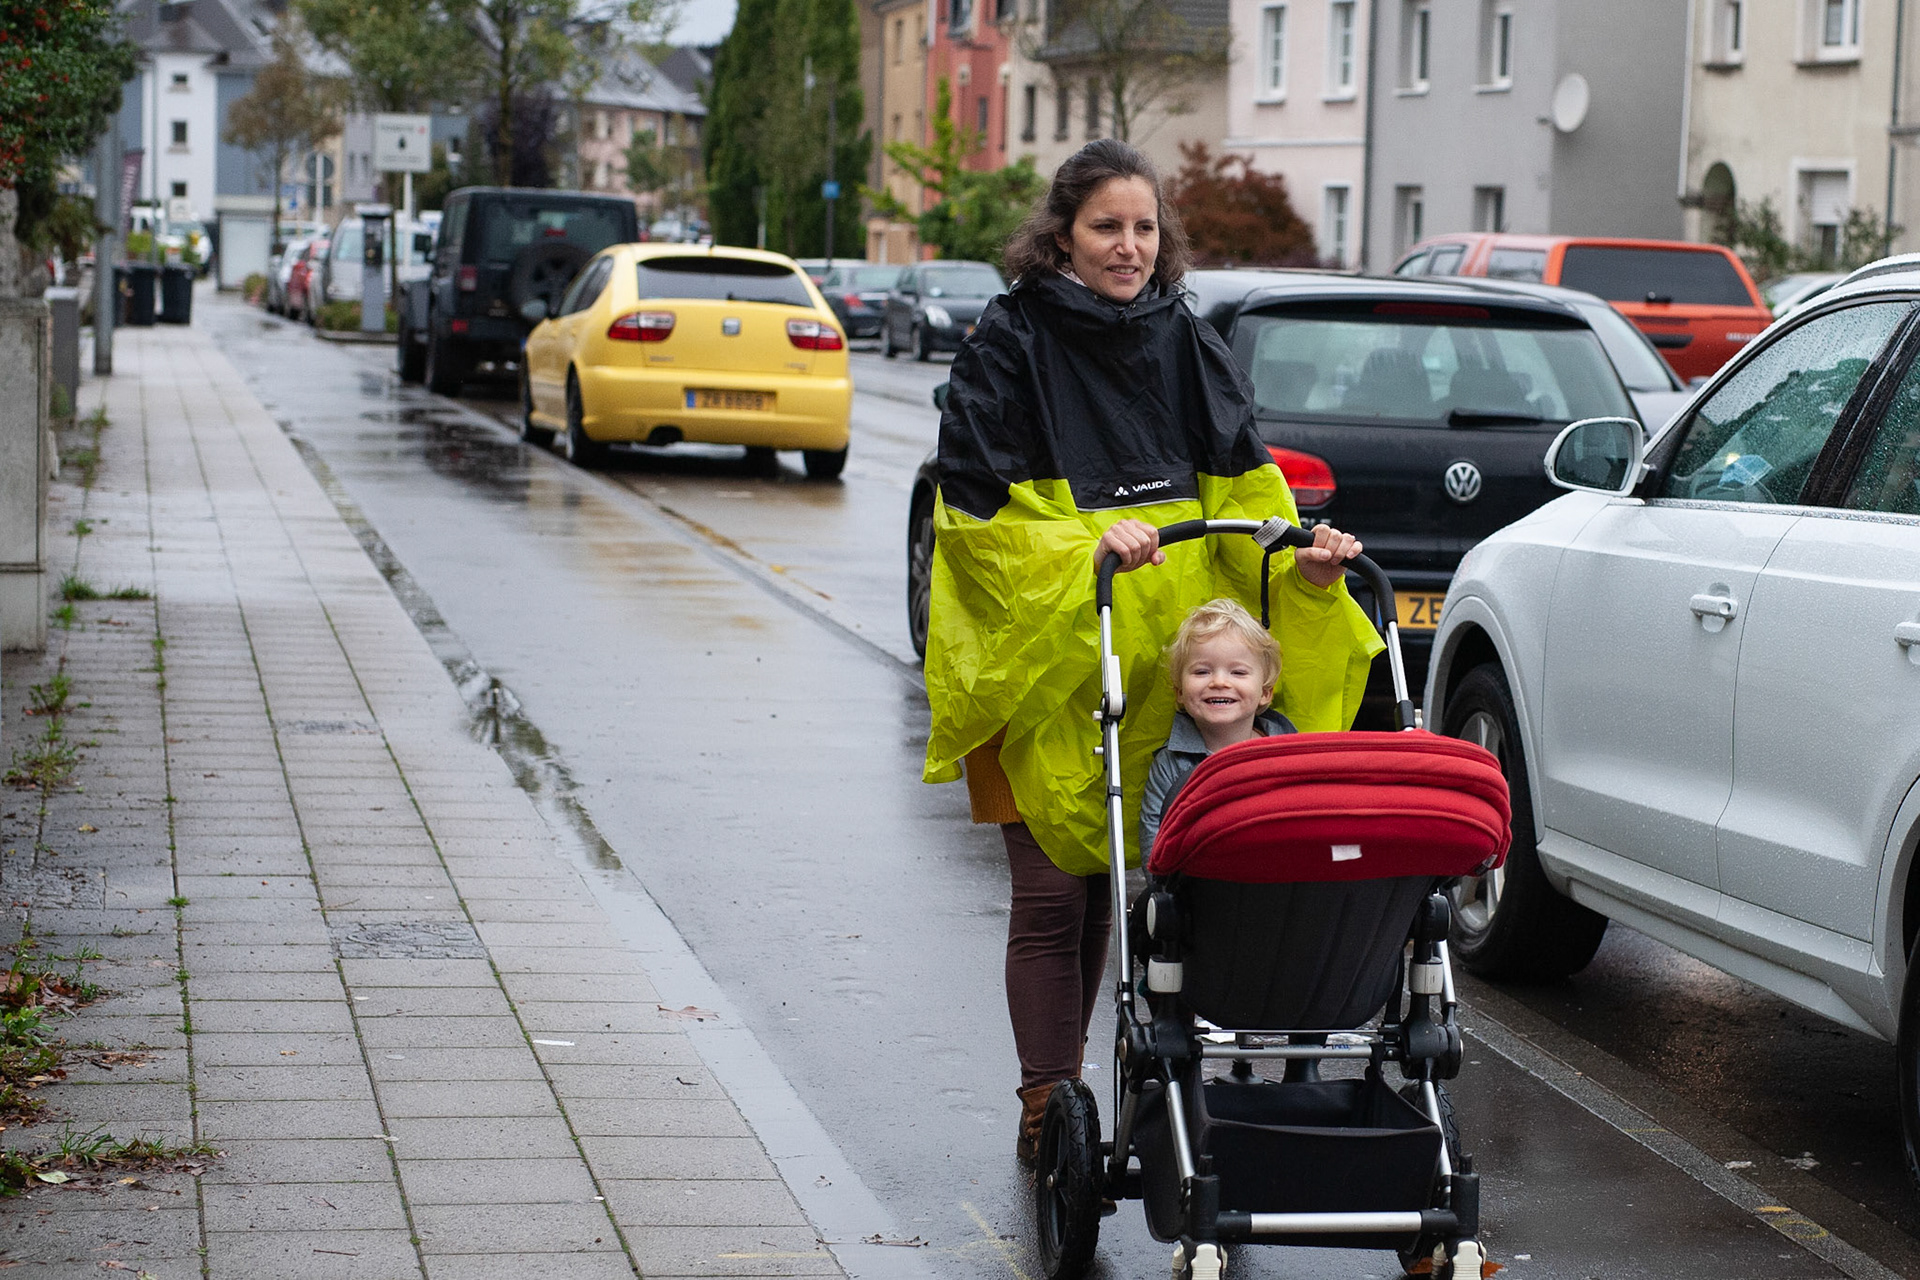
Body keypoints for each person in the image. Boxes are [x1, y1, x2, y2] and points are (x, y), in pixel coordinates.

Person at [920, 138, 1385, 1164]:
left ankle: (1096, 1089)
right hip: (1051, 657)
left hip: (1160, 654)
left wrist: (1298, 568)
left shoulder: (1184, 335)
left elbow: (1245, 496)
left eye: (1144, 227)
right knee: (1054, 892)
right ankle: (1051, 1098)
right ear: (1061, 234)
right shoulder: (1009, 339)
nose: (1129, 247)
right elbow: (977, 517)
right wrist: (1090, 545)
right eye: (1105, 227)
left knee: (1120, 878)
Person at [1139, 599, 1296, 859]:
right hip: (1198, 884)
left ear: (1265, 692)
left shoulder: (1288, 752)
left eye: (1238, 672)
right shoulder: (1171, 765)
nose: (1219, 682)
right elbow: (1153, 839)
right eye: (1202, 672)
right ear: (1179, 691)